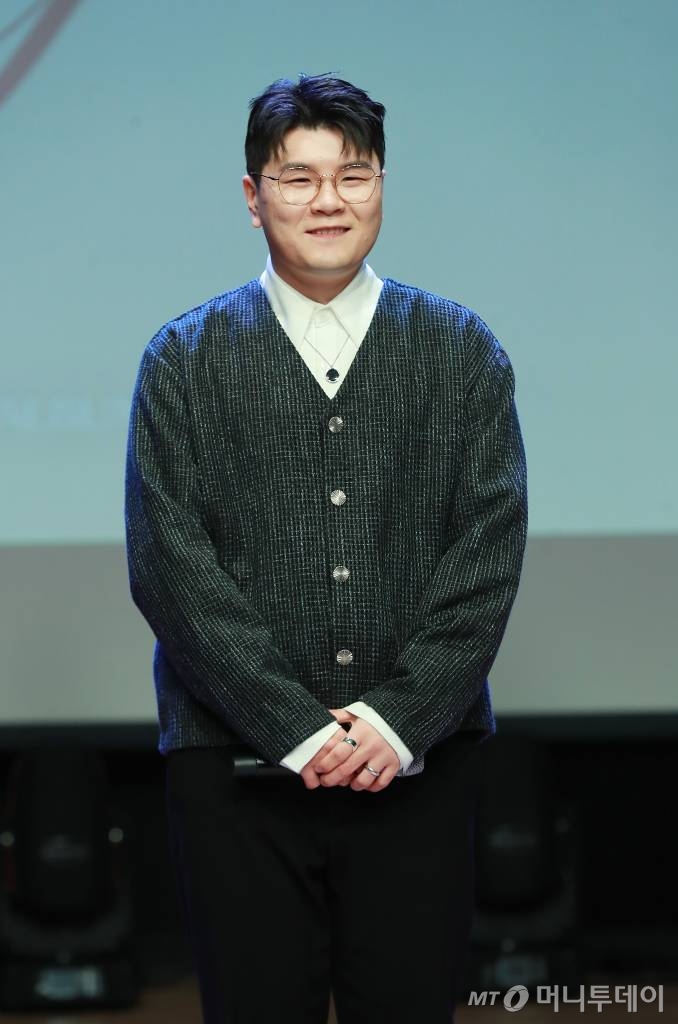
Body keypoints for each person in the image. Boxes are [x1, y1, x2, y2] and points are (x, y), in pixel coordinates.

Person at [125, 73, 528, 1024]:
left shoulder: (461, 349)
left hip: (418, 769)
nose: (328, 200)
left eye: (353, 174)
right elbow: (170, 566)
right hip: (232, 781)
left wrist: (396, 719)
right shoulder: (182, 358)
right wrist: (296, 728)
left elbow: (488, 551)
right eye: (298, 177)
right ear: (252, 196)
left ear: (382, 184)